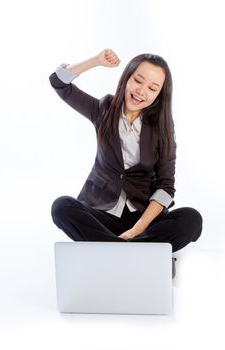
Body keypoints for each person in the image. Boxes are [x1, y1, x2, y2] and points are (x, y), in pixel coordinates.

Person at [49, 48, 203, 261]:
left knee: (191, 220)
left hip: (143, 219)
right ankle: (139, 256)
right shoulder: (103, 110)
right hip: (102, 216)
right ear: (127, 77)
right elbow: (59, 82)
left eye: (152, 88)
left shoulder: (163, 129)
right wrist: (95, 61)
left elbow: (166, 187)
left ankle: (111, 252)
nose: (142, 91)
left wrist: (137, 230)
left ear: (159, 95)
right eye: (138, 80)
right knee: (61, 207)